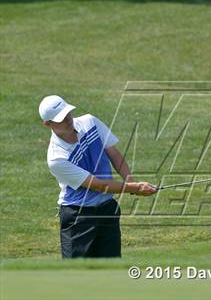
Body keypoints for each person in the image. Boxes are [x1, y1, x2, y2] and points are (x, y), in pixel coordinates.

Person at [39, 95, 157, 258]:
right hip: (78, 217)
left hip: (107, 209)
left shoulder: (90, 122)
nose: (67, 119)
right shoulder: (56, 158)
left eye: (68, 114)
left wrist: (131, 183)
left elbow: (114, 154)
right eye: (61, 118)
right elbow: (98, 185)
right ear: (48, 124)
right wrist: (134, 188)